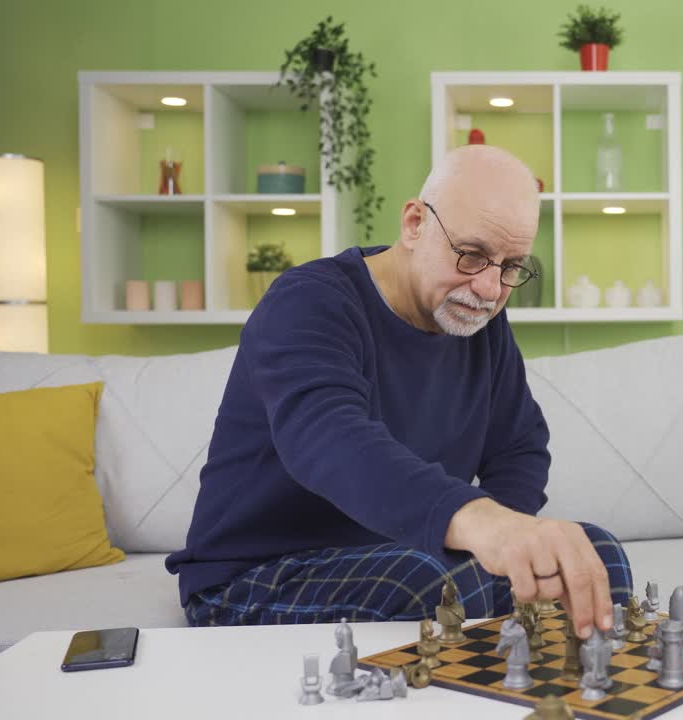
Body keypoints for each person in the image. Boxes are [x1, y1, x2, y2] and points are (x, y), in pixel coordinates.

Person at [166, 145, 631, 640]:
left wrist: (510, 538)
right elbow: (329, 438)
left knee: (595, 553)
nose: (491, 289)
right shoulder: (307, 301)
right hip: (258, 574)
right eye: (472, 255)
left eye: (511, 266)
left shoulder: (479, 320)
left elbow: (518, 446)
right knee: (438, 584)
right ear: (414, 224)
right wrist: (482, 526)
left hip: (405, 557)